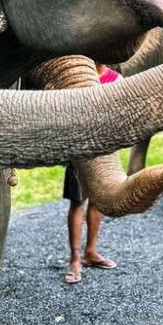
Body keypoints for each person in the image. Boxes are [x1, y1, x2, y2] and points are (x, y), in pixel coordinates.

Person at [62, 62, 119, 284]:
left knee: (97, 201)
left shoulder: (115, 79)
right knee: (78, 202)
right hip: (78, 149)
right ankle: (75, 258)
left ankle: (91, 251)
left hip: (103, 151)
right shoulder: (73, 75)